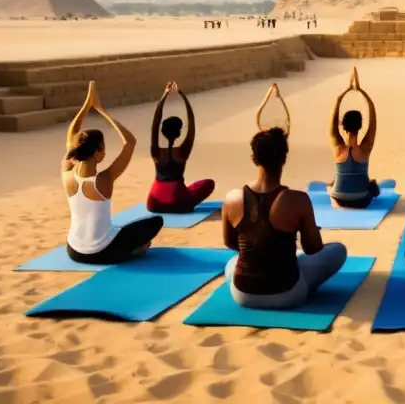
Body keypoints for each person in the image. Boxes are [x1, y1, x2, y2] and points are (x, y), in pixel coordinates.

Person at [221, 84, 347, 309]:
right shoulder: (297, 200)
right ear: (284, 158)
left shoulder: (231, 198)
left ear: (255, 158)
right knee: (338, 250)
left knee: (233, 263)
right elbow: (312, 249)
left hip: (241, 294)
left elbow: (231, 243)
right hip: (286, 293)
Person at [63, 82, 163, 264]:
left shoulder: (66, 173)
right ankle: (133, 252)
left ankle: (130, 251)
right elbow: (130, 142)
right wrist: (101, 111)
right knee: (156, 222)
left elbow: (73, 134)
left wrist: (87, 104)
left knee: (119, 228)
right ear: (98, 153)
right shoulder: (104, 179)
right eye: (104, 148)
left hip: (74, 251)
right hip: (103, 253)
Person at [146, 82, 215, 213]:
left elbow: (155, 122)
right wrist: (183, 96)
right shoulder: (183, 151)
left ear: (162, 131)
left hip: (154, 203)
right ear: (179, 132)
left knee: (189, 188)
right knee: (208, 183)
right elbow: (191, 122)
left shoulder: (156, 152)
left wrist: (165, 94)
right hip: (177, 202)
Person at [328, 67, 381, 208]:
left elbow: (332, 123)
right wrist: (363, 92)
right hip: (362, 199)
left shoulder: (337, 147)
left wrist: (342, 95)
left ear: (342, 125)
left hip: (338, 199)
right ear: (360, 125)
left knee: (331, 185)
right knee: (373, 186)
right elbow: (373, 120)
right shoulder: (365, 148)